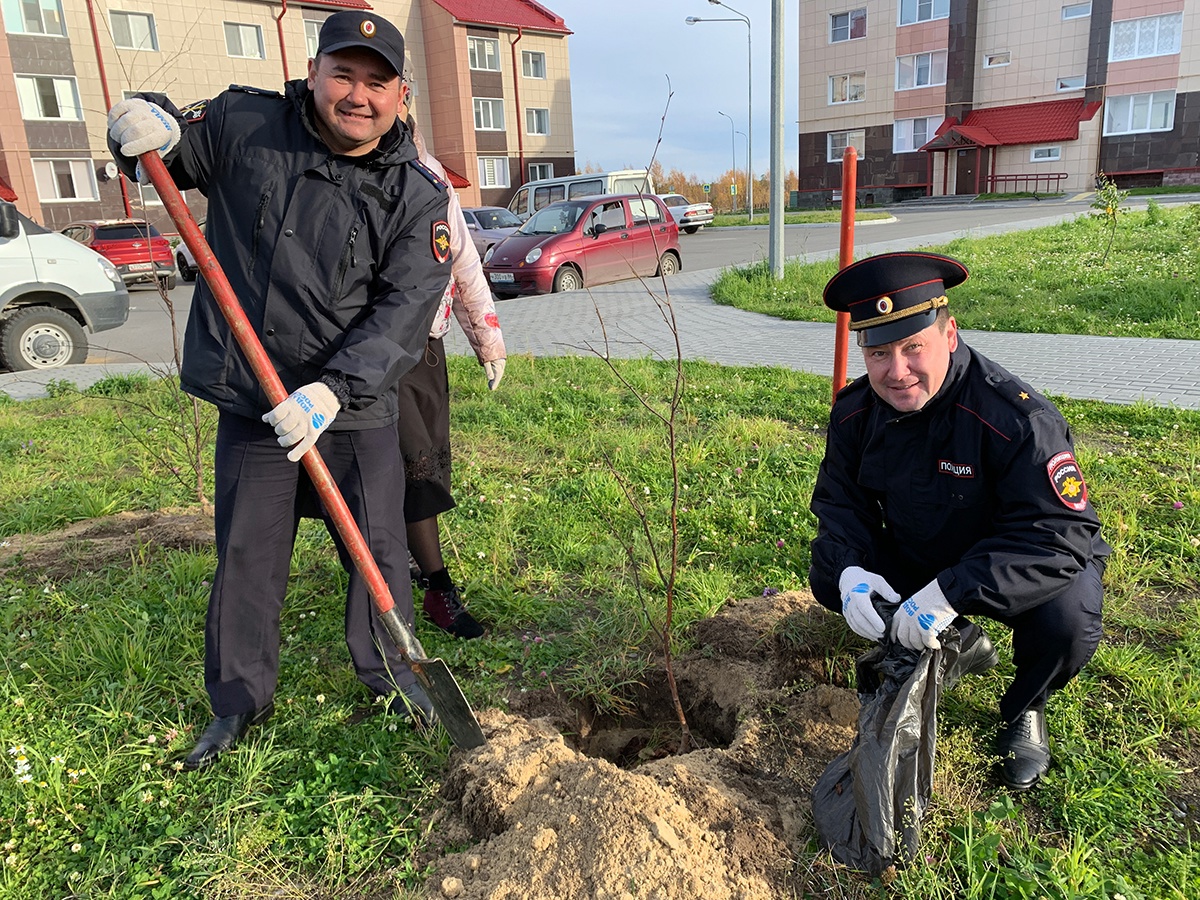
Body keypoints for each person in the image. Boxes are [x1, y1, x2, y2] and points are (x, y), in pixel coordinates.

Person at [106, 10, 453, 771]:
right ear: (315, 71)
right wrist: (138, 128)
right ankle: (237, 703)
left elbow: (404, 311)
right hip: (254, 401)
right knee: (247, 556)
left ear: (401, 94)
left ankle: (395, 677)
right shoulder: (246, 125)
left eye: (376, 82)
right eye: (344, 75)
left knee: (379, 550)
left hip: (353, 408)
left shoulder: (417, 197)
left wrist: (332, 390)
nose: (357, 95)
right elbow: (164, 143)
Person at [808, 251, 1108, 790]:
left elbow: (1060, 538)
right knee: (832, 572)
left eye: (912, 347)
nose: (896, 372)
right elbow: (839, 505)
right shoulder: (855, 412)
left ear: (949, 334)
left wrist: (949, 592)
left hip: (1006, 559)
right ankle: (957, 642)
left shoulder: (1017, 419)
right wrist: (850, 576)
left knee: (1067, 624)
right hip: (921, 547)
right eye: (879, 353)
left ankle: (1026, 706)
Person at [393, 79, 506, 640]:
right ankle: (428, 582)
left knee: (422, 471)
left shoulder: (431, 176)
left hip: (420, 351)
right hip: (351, 355)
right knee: (390, 473)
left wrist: (488, 339)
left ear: (405, 98)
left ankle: (424, 578)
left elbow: (462, 261)